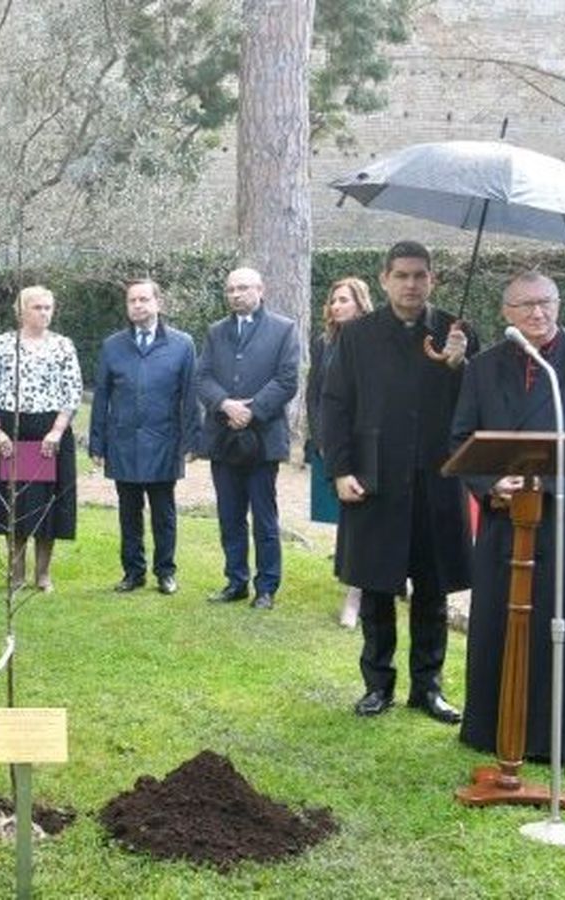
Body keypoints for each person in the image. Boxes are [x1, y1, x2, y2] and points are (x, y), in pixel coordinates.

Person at [452, 270, 565, 761]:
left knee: (562, 620)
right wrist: (491, 485)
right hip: (503, 519)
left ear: (558, 303)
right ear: (506, 313)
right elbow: (461, 438)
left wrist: (546, 488)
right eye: (526, 304)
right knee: (498, 623)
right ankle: (491, 729)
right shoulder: (482, 368)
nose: (538, 312)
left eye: (546, 301)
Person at [319, 240, 476, 723]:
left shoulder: (458, 331)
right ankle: (377, 685)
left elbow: (479, 405)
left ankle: (428, 688)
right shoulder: (357, 335)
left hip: (437, 479)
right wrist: (341, 471)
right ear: (384, 278)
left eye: (421, 275)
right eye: (402, 275)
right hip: (375, 478)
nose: (412, 284)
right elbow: (335, 404)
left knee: (433, 591)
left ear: (433, 280)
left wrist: (458, 366)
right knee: (377, 586)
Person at [195, 266, 300, 611]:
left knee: (264, 517)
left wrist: (250, 410)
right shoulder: (215, 332)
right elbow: (203, 376)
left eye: (242, 288)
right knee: (229, 515)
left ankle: (266, 587)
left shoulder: (283, 329)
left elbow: (287, 380)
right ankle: (235, 581)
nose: (235, 295)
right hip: (224, 438)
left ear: (261, 290)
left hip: (263, 438)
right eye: (230, 290)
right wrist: (225, 403)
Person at [89, 279, 200, 595]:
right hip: (123, 441)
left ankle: (165, 572)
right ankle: (133, 572)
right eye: (132, 301)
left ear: (158, 303)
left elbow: (191, 396)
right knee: (128, 511)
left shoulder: (182, 344)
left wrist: (192, 441)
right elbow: (102, 396)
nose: (137, 305)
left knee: (164, 511)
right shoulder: (113, 345)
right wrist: (97, 441)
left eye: (143, 299)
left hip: (165, 440)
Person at [0, 286, 83, 592]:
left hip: (49, 432)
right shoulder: (2, 344)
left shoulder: (63, 345)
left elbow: (72, 393)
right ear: (21, 311)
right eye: (37, 307)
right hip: (11, 431)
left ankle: (43, 574)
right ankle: (17, 574)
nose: (44, 313)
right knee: (15, 506)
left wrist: (57, 432)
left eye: (49, 307)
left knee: (46, 505)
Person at [305, 277, 374, 627]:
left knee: (366, 517)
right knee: (347, 517)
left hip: (371, 445)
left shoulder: (377, 341)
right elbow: (314, 394)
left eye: (343, 300)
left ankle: (357, 594)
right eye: (333, 301)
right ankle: (356, 585)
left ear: (361, 303)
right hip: (336, 444)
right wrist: (321, 439)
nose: (335, 306)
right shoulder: (324, 343)